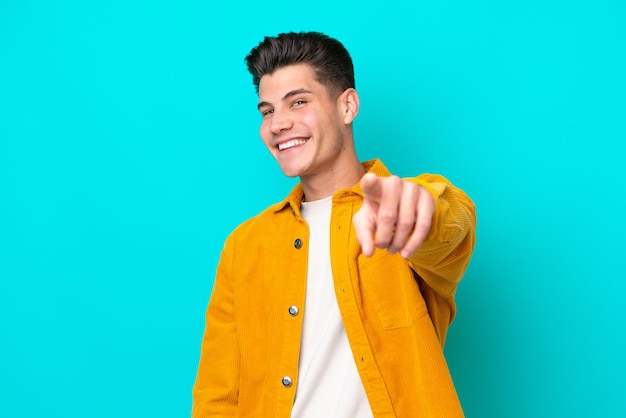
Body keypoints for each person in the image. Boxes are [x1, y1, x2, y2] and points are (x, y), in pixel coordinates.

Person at [192, 31, 476, 417]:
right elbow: (218, 397)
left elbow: (450, 225)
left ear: (347, 106)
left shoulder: (401, 208)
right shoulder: (245, 246)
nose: (278, 124)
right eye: (268, 110)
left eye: (298, 102)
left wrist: (421, 208)